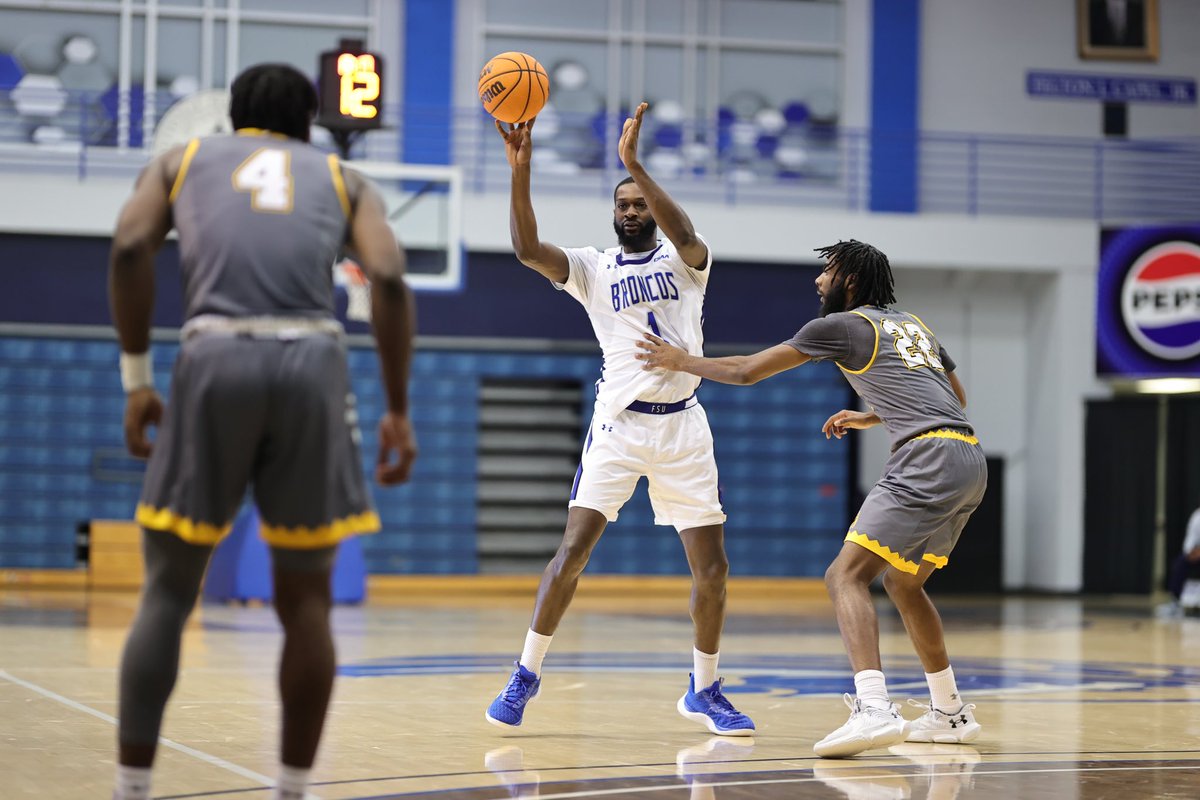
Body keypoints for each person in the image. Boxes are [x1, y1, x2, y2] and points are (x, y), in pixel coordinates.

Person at [108, 63, 417, 800]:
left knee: (167, 593)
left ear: (232, 117)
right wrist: (398, 407)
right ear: (309, 124)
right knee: (306, 604)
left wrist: (137, 380)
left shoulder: (181, 161)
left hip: (214, 353)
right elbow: (391, 278)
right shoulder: (343, 178)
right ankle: (291, 788)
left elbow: (127, 249)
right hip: (312, 362)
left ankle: (131, 789)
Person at [636, 239, 987, 757]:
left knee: (844, 576)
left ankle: (873, 709)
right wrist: (871, 416)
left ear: (848, 279)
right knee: (905, 586)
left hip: (926, 458)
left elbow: (745, 371)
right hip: (968, 458)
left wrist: (682, 360)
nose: (817, 281)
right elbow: (954, 397)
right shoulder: (912, 324)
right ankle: (950, 712)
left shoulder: (840, 326)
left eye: (826, 272)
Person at [483, 103, 754, 736]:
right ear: (612, 214)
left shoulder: (688, 262)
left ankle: (705, 688)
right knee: (571, 554)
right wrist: (520, 171)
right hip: (620, 428)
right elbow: (526, 249)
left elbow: (685, 230)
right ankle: (525, 675)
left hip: (685, 428)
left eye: (641, 203)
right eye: (623, 204)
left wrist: (634, 163)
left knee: (712, 570)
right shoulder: (593, 269)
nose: (633, 211)